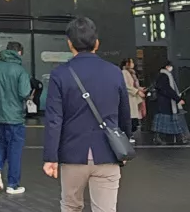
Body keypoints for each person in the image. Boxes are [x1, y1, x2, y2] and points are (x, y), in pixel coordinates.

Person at [43, 17, 131, 212]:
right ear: (97, 43)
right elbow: (124, 113)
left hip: (72, 155)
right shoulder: (114, 72)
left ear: (70, 44)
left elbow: (54, 119)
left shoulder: (60, 74)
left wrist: (51, 157)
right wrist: (124, 145)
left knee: (71, 207)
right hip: (108, 152)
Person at [0, 41, 32, 195]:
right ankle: (13, 184)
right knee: (15, 149)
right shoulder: (20, 70)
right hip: (15, 117)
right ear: (19, 52)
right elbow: (24, 92)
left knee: (0, 143)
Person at [153, 60, 190, 144]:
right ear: (166, 66)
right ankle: (178, 138)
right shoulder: (165, 76)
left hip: (164, 103)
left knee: (165, 122)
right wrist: (177, 98)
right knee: (168, 121)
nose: (171, 68)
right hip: (166, 103)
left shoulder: (162, 75)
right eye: (170, 66)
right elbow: (167, 89)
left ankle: (177, 138)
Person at [121, 58, 146, 135]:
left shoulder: (131, 73)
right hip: (129, 97)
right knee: (130, 117)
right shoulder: (124, 73)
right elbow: (126, 86)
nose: (133, 64)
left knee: (133, 117)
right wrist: (137, 91)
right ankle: (128, 134)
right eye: (131, 62)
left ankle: (130, 134)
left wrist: (140, 89)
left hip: (133, 97)